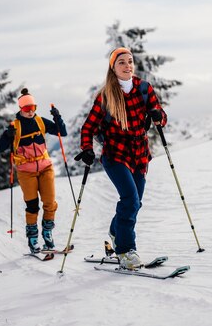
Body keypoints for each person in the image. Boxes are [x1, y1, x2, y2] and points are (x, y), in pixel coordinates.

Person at [74, 47, 167, 269]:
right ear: (113, 68)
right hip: (115, 154)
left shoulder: (144, 89)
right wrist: (87, 149)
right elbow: (88, 127)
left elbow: (161, 118)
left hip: (139, 155)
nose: (128, 66)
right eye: (122, 63)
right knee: (130, 200)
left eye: (130, 61)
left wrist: (157, 116)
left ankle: (116, 232)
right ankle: (126, 251)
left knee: (135, 203)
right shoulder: (106, 95)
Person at [0, 89, 67, 254]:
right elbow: (0, 148)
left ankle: (47, 233)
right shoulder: (15, 126)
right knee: (32, 206)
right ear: (21, 108)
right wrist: (8, 135)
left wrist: (57, 117)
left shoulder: (41, 121)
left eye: (33, 107)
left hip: (45, 167)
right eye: (27, 108)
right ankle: (33, 238)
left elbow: (62, 132)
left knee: (50, 203)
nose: (30, 111)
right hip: (25, 172)